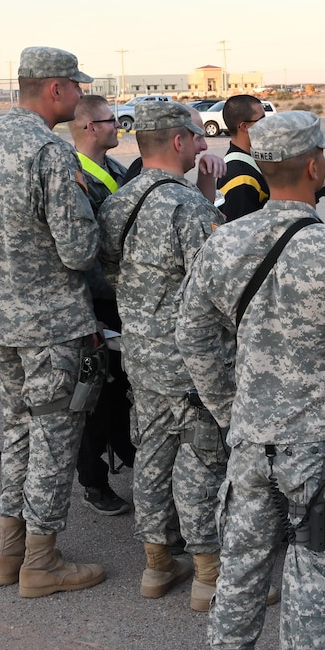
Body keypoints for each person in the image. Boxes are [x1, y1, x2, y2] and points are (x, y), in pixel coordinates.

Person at [176, 110, 325, 650]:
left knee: (243, 558)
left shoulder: (224, 242)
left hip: (250, 438)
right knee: (315, 566)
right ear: (315, 166)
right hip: (319, 445)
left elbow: (191, 334)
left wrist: (228, 408)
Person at [0, 46, 105, 597]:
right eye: (77, 87)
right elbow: (80, 251)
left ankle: (10, 553)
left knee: (18, 432)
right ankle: (41, 561)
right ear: (56, 88)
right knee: (55, 437)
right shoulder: (48, 152)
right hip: (51, 326)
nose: (81, 96)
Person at [96, 101, 226, 611]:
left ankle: (156, 565)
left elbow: (107, 275)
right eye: (196, 136)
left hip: (142, 357)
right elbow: (214, 286)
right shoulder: (189, 210)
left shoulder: (119, 202)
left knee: (150, 459)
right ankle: (208, 574)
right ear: (177, 141)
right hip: (191, 363)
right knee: (201, 464)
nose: (202, 144)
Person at [68, 94, 134, 516]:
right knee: (90, 394)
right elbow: (77, 253)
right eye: (111, 121)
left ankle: (125, 449)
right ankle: (93, 480)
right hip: (91, 300)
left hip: (119, 297)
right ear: (90, 127)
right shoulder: (74, 177)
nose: (118, 127)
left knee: (119, 389)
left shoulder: (115, 170)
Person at [216, 94, 269, 221]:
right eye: (262, 120)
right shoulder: (241, 178)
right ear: (244, 127)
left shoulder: (247, 161)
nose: (267, 125)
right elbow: (242, 236)